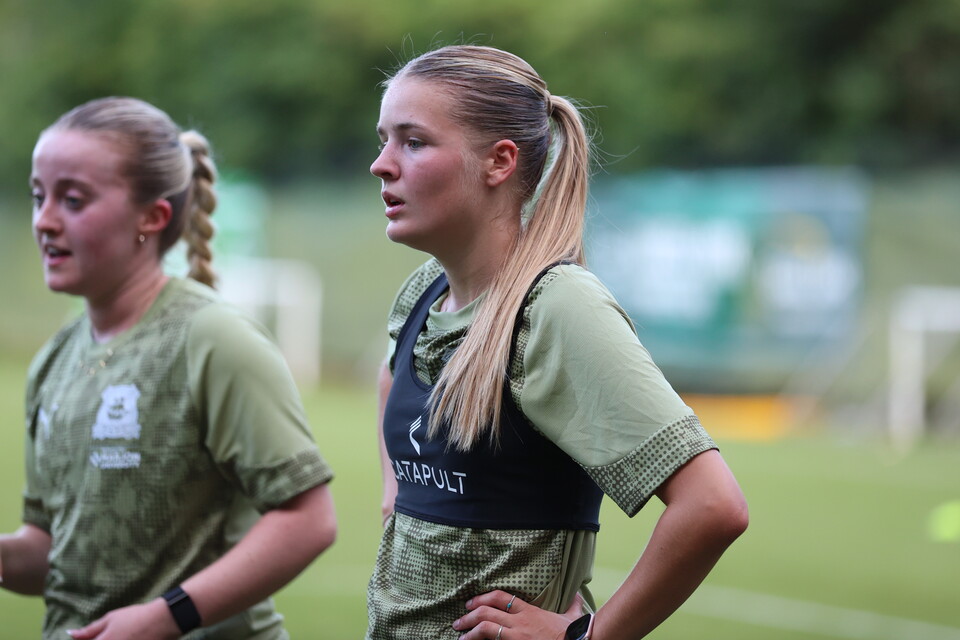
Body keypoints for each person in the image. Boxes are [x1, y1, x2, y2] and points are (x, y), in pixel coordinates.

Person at [367, 45, 749, 640]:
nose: (381, 164)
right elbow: (396, 378)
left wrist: (587, 637)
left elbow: (713, 505)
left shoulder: (555, 307)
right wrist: (399, 490)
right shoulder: (424, 291)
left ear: (499, 162)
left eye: (412, 142)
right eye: (384, 139)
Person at [0, 97, 336, 640]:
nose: (44, 221)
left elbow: (308, 521)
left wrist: (165, 616)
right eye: (40, 197)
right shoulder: (53, 360)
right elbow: (47, 553)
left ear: (151, 218)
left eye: (73, 200)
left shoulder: (212, 338)